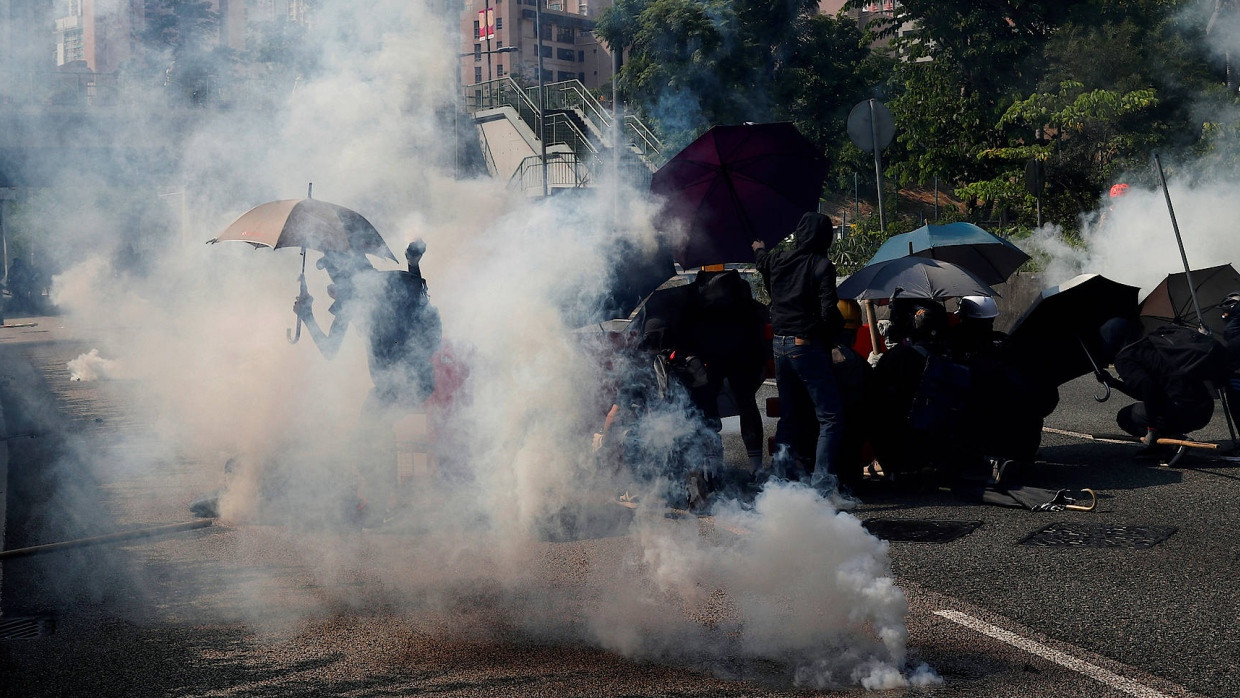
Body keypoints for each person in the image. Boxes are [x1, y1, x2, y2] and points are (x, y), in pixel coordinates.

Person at [753, 212, 845, 493]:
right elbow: (829, 311)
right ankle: (822, 487)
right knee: (830, 417)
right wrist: (830, 342)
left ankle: (778, 482)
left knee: (790, 416)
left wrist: (759, 248)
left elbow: (762, 261)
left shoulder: (778, 260)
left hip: (779, 345)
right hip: (805, 344)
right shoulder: (822, 266)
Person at [1099, 317, 1227, 454]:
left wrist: (1152, 429)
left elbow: (1148, 388)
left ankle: (1166, 445)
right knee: (1154, 404)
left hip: (1182, 411)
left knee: (1126, 416)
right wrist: (1114, 383)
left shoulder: (1125, 358)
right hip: (1204, 408)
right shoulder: (1156, 343)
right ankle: (1171, 438)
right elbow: (1149, 391)